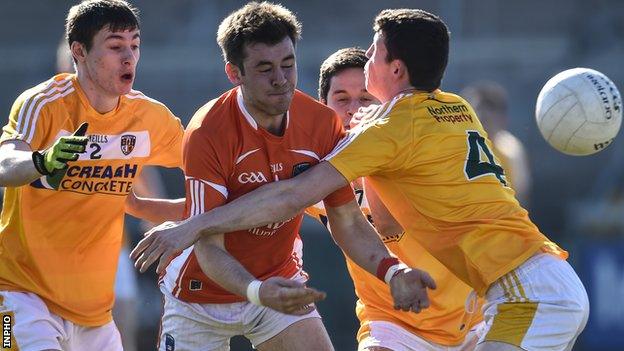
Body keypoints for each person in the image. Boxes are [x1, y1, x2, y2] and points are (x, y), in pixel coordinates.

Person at [132, 8, 589, 351]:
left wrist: (191, 226)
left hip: (509, 298)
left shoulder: (378, 135)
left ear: (394, 71)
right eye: (341, 97)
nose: (355, 100)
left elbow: (313, 202)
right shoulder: (453, 106)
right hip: (419, 317)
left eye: (374, 54)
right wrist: (158, 211)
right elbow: (244, 204)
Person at [138, 3, 432, 351]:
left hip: (279, 279)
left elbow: (348, 221)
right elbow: (207, 242)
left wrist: (393, 272)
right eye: (264, 69)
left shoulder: (322, 124)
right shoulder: (208, 132)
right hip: (201, 295)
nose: (280, 79)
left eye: (287, 64)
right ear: (234, 73)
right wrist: (257, 291)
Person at [0, 1, 185, 350]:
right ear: (78, 52)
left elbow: (208, 168)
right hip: (20, 298)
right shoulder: (42, 103)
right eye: (116, 47)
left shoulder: (150, 117)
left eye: (135, 45)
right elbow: (5, 163)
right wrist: (41, 163)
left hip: (95, 314)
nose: (129, 56)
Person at [308, 47, 484, 351]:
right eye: (341, 99)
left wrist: (371, 141)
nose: (352, 110)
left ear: (384, 101)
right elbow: (276, 196)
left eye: (365, 99)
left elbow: (388, 226)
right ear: (322, 107)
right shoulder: (316, 169)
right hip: (391, 321)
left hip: (473, 318)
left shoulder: (418, 145)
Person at [461, 81, 531, 207]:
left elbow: (520, 195)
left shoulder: (511, 152)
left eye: (484, 120)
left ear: (502, 119)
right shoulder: (454, 148)